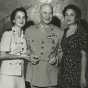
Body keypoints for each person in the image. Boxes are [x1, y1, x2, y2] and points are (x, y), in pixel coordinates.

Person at [25, 3, 63, 88]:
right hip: (34, 74)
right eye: (45, 13)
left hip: (50, 75)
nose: (47, 16)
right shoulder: (29, 31)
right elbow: (25, 50)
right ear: (40, 14)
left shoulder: (59, 32)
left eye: (50, 13)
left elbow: (61, 52)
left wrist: (56, 59)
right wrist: (29, 56)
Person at [59, 4, 88, 88]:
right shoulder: (64, 31)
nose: (68, 17)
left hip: (76, 71)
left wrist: (83, 77)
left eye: (71, 15)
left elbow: (84, 55)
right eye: (66, 14)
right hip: (64, 70)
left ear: (76, 17)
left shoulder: (81, 32)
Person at [0, 7, 28, 88]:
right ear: (13, 20)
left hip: (20, 74)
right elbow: (2, 55)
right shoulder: (8, 34)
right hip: (8, 75)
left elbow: (25, 54)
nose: (21, 20)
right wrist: (21, 56)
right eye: (18, 17)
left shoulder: (24, 36)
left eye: (23, 17)